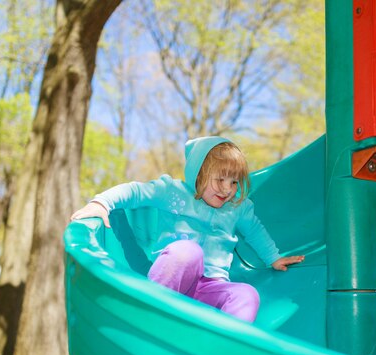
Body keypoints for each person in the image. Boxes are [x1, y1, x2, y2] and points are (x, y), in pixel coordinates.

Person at [70, 136, 305, 323]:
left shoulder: (236, 208)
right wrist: (101, 203)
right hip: (171, 284)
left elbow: (254, 230)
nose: (227, 189)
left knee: (247, 294)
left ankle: (223, 346)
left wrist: (273, 258)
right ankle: (148, 314)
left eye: (234, 182)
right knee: (187, 252)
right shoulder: (173, 194)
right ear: (199, 174)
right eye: (220, 180)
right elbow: (134, 191)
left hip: (209, 290)